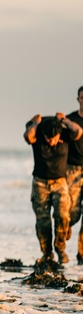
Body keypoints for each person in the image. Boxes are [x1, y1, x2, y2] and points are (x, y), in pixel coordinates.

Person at [24, 114, 82, 266]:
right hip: (40, 184)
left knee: (63, 216)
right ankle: (47, 253)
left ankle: (60, 248)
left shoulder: (64, 135)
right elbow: (28, 137)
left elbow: (78, 131)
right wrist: (36, 123)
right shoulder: (38, 136)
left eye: (54, 138)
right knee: (43, 222)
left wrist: (64, 120)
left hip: (60, 183)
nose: (51, 141)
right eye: (48, 138)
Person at [66, 87, 83, 264]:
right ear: (78, 99)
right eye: (82, 97)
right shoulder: (71, 120)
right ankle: (66, 227)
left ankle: (82, 255)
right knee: (74, 212)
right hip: (73, 169)